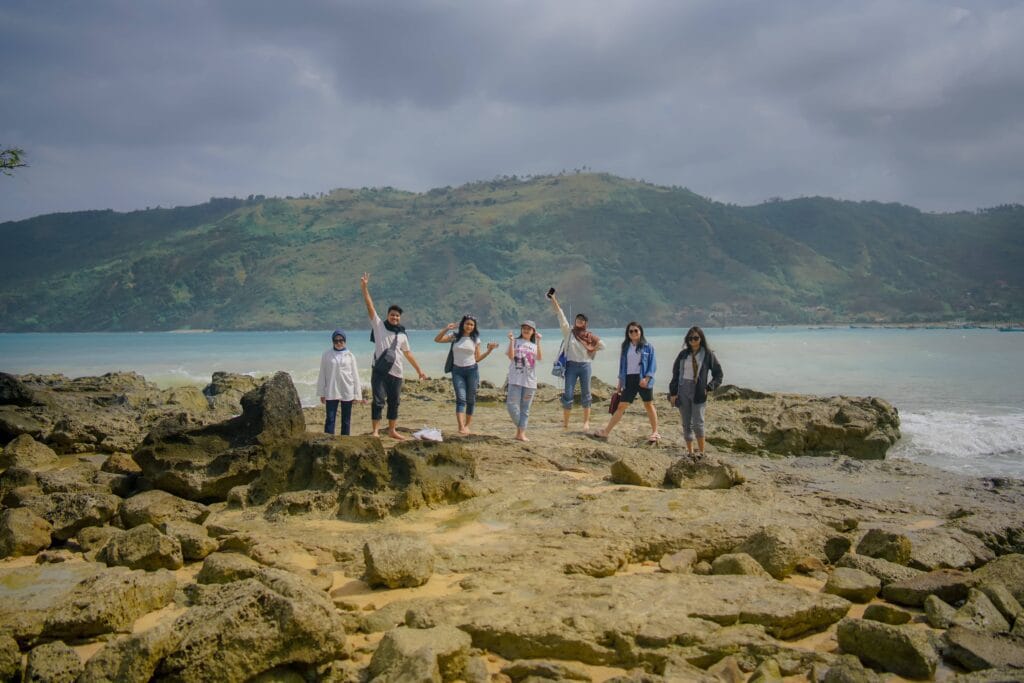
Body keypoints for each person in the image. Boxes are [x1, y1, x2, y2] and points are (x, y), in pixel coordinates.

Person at [360, 273, 428, 440]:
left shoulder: (403, 335)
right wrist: (364, 287)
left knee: (394, 402)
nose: (395, 317)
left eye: (397, 316)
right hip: (380, 371)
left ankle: (392, 430)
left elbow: (408, 354)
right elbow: (370, 307)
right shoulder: (379, 326)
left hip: (397, 373)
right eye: (392, 315)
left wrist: (420, 371)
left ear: (400, 318)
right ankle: (376, 431)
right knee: (377, 401)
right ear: (387, 315)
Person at [434, 315, 500, 434]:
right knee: (461, 398)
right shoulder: (455, 336)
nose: (469, 326)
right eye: (467, 323)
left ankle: (467, 425)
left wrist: (489, 350)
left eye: (471, 324)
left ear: (474, 327)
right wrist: (446, 329)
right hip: (457, 371)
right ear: (462, 324)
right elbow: (437, 340)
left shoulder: (475, 339)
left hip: (472, 371)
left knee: (471, 400)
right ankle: (460, 427)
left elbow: (478, 358)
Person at [595, 322, 659, 442]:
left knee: (648, 404)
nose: (634, 333)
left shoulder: (648, 346)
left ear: (640, 332)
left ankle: (655, 432)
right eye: (631, 331)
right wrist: (620, 384)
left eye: (636, 330)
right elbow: (622, 367)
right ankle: (606, 432)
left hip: (643, 379)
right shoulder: (625, 347)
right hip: (629, 380)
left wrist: (647, 378)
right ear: (628, 333)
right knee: (621, 406)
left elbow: (652, 365)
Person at [549, 293, 605, 430]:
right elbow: (560, 314)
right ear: (575, 321)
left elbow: (603, 345)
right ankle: (566, 424)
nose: (579, 321)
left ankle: (586, 422)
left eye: (582, 320)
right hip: (571, 366)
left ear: (586, 323)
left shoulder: (589, 335)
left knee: (586, 393)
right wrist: (554, 299)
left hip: (585, 366)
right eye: (578, 319)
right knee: (568, 393)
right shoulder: (569, 332)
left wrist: (591, 349)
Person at [668, 326, 724, 456]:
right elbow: (675, 374)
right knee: (686, 423)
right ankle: (690, 453)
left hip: (698, 391)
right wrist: (673, 392)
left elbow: (718, 374)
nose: (693, 340)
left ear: (701, 338)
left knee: (698, 423)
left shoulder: (708, 354)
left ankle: (702, 453)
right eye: (690, 338)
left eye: (696, 338)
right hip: (682, 390)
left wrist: (709, 387)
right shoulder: (683, 355)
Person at [316, 329, 364, 435]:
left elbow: (355, 376)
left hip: (347, 390)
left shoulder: (350, 356)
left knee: (346, 420)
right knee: (330, 418)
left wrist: (357, 395)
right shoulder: (327, 355)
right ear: (332, 341)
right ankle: (328, 441)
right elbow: (322, 374)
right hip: (331, 390)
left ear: (345, 341)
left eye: (341, 340)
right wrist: (322, 393)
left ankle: (345, 440)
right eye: (336, 340)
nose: (338, 343)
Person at [506, 320, 542, 441]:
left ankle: (520, 434)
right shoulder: (515, 341)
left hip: (530, 381)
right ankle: (521, 428)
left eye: (529, 329)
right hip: (515, 379)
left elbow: (540, 358)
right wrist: (511, 341)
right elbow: (511, 356)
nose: (526, 330)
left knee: (525, 409)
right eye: (524, 328)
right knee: (511, 405)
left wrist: (538, 341)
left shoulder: (534, 345)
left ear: (533, 331)